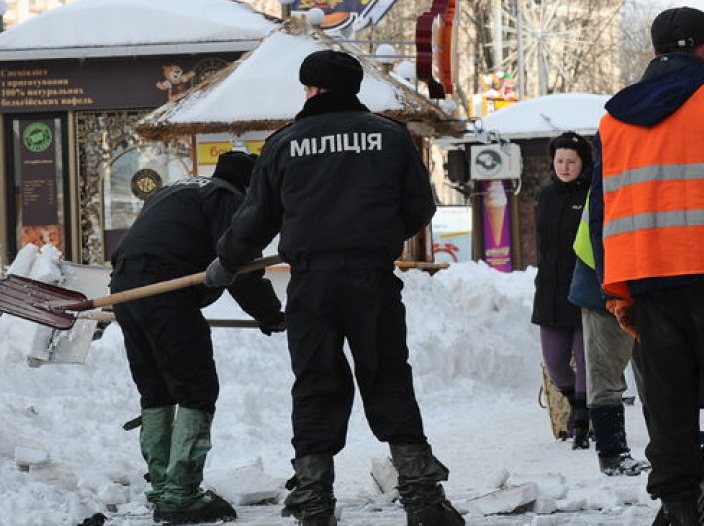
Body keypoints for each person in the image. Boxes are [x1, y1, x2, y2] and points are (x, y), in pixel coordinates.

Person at [205, 49, 464, 526]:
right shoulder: (390, 137)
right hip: (372, 278)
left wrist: (227, 261)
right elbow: (420, 207)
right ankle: (423, 499)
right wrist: (380, 235)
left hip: (313, 284)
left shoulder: (284, 143)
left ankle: (314, 499)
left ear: (312, 89)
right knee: (387, 374)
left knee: (316, 383)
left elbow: (256, 217)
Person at [588, 6, 704, 525]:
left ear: (654, 50)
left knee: (668, 405)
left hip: (648, 283)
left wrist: (616, 289)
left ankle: (680, 508)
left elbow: (601, 212)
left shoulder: (612, 119)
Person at [110, 151, 285, 525]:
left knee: (156, 388)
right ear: (250, 184)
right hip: (164, 288)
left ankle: (161, 484)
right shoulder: (228, 198)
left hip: (125, 287)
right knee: (196, 387)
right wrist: (270, 315)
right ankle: (182, 495)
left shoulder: (175, 190)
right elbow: (238, 264)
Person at [569, 196, 649, 476]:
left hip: (644, 270)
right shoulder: (612, 167)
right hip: (603, 277)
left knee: (654, 371)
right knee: (605, 369)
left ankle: (664, 448)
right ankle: (612, 453)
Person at [531, 131, 593, 450]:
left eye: (571, 161)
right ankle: (576, 403)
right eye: (559, 161)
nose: (565, 167)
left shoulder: (594, 194)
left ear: (584, 162)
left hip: (584, 288)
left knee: (585, 360)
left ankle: (581, 418)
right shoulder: (546, 195)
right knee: (554, 362)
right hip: (550, 289)